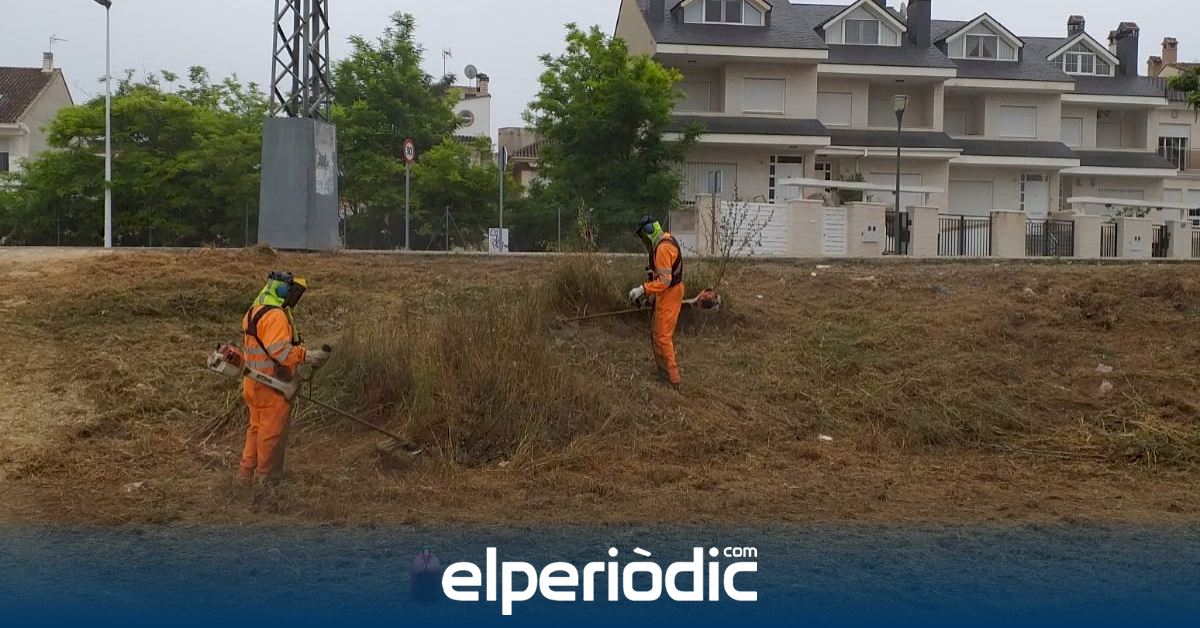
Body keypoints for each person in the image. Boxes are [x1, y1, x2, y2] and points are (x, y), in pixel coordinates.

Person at [238, 271, 329, 485]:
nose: (293, 296)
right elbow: (280, 352)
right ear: (281, 289)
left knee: (255, 429)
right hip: (272, 386)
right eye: (291, 290)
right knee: (270, 435)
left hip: (253, 383)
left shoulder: (255, 310)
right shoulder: (275, 316)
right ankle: (265, 481)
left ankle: (244, 476)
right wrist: (308, 356)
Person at [629, 215, 684, 387]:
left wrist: (643, 289)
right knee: (657, 334)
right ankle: (663, 371)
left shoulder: (663, 248)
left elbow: (665, 281)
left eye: (644, 235)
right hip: (666, 293)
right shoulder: (665, 241)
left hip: (670, 293)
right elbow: (660, 276)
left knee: (662, 337)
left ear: (649, 231)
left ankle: (673, 378)